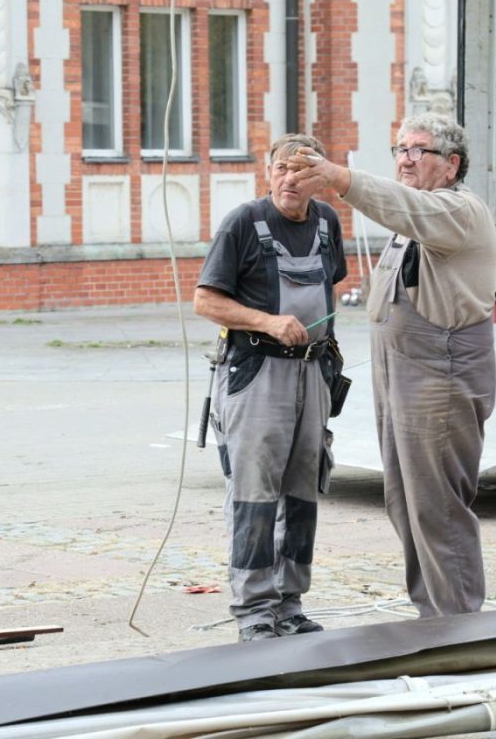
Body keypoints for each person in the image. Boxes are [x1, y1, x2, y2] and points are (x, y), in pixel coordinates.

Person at [287, 113, 496, 618]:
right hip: (398, 376)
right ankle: (432, 615)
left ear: (451, 165)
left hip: (438, 378)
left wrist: (340, 178)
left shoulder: (458, 211)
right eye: (400, 149)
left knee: (438, 506)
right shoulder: (414, 221)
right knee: (404, 501)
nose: (404, 159)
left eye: (417, 151)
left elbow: (403, 206)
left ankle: (461, 624)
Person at [194, 133, 348, 641]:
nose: (290, 179)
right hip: (257, 373)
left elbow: (333, 282)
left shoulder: (327, 223)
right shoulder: (244, 222)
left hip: (313, 373)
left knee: (303, 492)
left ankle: (290, 603)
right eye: (282, 167)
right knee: (255, 495)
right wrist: (267, 321)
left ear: (318, 177)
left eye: (303, 170)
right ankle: (255, 611)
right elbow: (206, 301)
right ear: (268, 171)